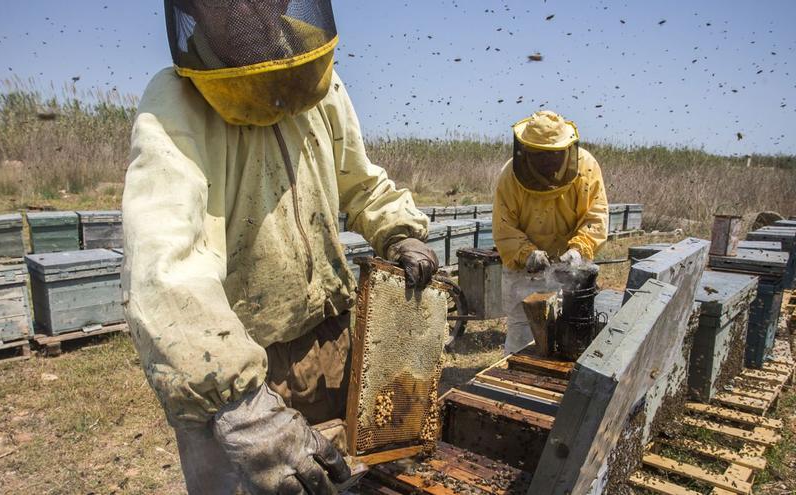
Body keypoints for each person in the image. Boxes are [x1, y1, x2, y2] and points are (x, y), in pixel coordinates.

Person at [121, 1, 439, 494]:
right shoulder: (176, 101)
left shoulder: (321, 82)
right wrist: (240, 407)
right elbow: (164, 261)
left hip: (330, 341)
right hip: (243, 369)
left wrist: (401, 229)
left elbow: (360, 181)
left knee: (345, 480)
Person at [492, 111, 609, 354]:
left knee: (571, 333)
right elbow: (504, 227)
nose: (546, 162)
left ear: (566, 149)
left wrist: (578, 250)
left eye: (552, 155)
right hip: (523, 269)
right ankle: (514, 385)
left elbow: (595, 216)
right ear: (526, 151)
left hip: (571, 268)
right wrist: (527, 254)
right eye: (539, 155)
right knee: (523, 337)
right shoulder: (510, 176)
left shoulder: (586, 168)